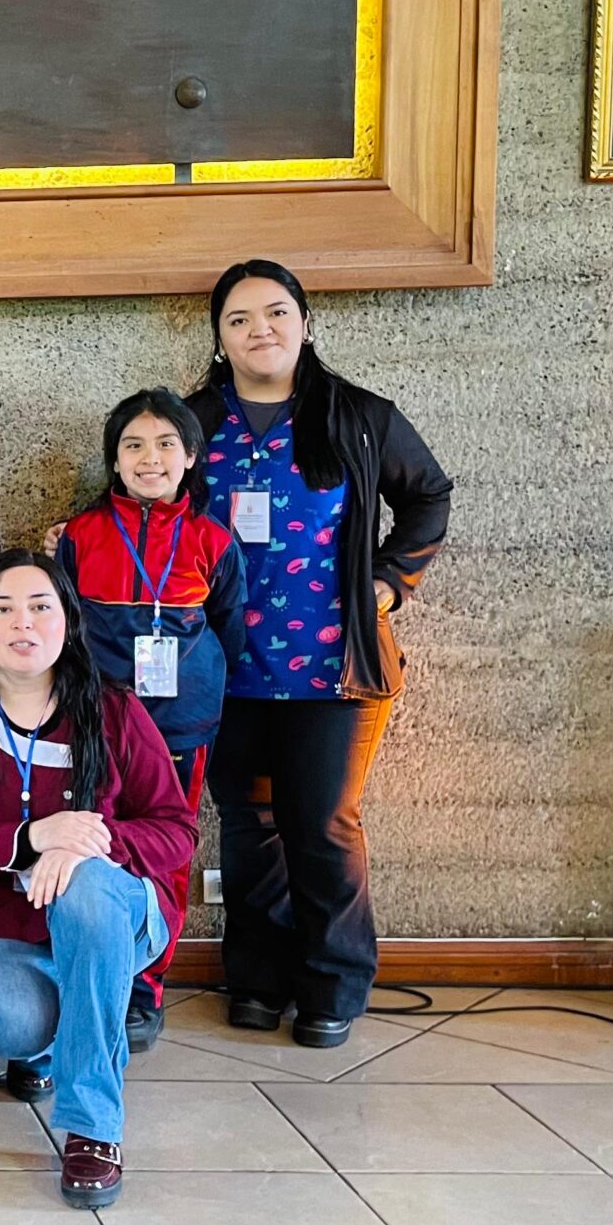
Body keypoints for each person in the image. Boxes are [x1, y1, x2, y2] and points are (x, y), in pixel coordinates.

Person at [194, 262, 451, 1048]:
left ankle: (333, 985)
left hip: (334, 667)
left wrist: (388, 581)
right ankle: (257, 981)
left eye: (275, 313)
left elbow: (428, 495)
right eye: (239, 319)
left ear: (305, 323)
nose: (259, 330)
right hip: (226, 664)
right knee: (247, 824)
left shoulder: (359, 416)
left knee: (322, 824)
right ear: (218, 337)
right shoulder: (194, 420)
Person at [0, 552, 197, 1209]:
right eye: (2, 608)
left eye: (41, 606)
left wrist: (89, 842)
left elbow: (177, 830)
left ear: (68, 621)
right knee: (10, 1027)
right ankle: (66, 1031)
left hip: (113, 911)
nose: (21, 622)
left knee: (85, 890)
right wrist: (34, 837)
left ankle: (94, 1127)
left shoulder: (112, 710)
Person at [54, 387, 244, 1050]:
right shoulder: (79, 537)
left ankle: (145, 987)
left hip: (182, 730)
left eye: (166, 444)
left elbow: (230, 633)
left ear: (191, 456)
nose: (149, 457)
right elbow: (61, 634)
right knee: (90, 848)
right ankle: (89, 974)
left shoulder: (212, 539)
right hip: (96, 726)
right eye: (133, 444)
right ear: (113, 458)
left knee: (162, 854)